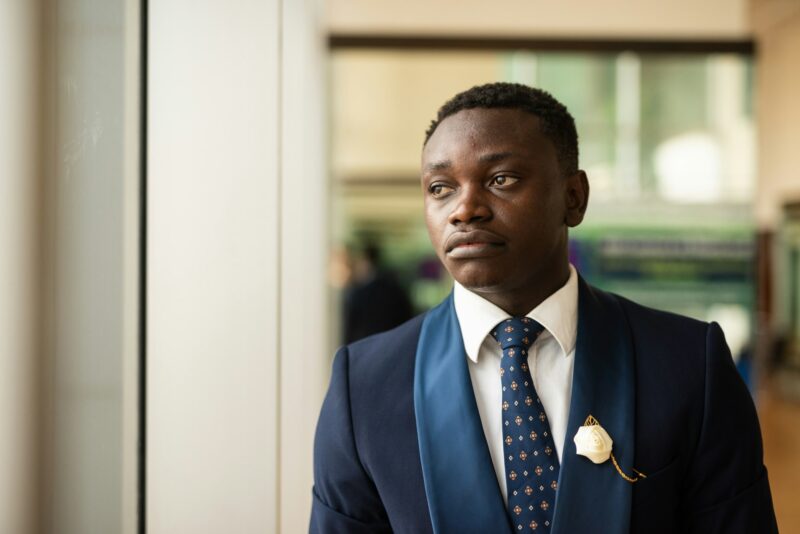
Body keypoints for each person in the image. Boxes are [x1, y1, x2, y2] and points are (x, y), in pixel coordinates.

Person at [310, 83, 777, 533]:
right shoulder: (365, 386)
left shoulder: (689, 363)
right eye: (440, 187)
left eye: (501, 179)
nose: (464, 208)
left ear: (574, 198)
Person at [342, 241, 414, 344]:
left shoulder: (360, 294)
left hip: (368, 346)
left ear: (366, 262)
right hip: (393, 344)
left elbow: (351, 329)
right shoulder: (394, 290)